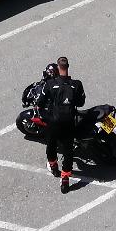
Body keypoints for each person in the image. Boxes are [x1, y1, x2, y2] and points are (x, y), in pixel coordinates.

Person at [39, 55, 86, 193]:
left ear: (58, 68)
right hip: (69, 122)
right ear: (68, 67)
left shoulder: (50, 84)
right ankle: (65, 179)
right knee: (68, 150)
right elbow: (81, 102)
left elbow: (41, 101)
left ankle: (53, 166)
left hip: (54, 122)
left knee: (51, 144)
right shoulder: (77, 84)